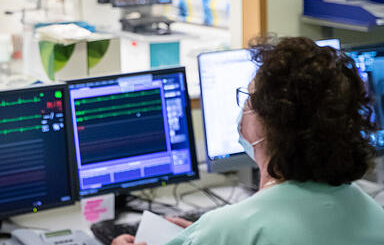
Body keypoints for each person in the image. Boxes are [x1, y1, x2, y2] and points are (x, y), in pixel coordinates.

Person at [113, 37, 384, 245]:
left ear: (270, 125)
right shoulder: (374, 215)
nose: (244, 107)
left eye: (249, 98)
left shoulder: (231, 229)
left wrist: (212, 234)